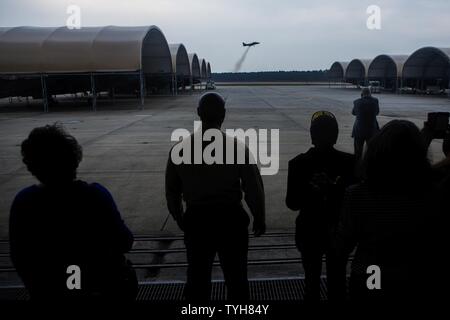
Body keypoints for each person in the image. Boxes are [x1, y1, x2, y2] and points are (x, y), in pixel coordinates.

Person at [9, 124, 137, 301]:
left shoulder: (24, 202)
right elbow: (125, 242)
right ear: (74, 159)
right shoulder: (95, 195)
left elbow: (20, 256)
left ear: (32, 166)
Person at [165, 92, 265, 301]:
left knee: (197, 283)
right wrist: (259, 217)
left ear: (198, 113)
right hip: (231, 221)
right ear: (223, 115)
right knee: (237, 282)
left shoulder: (179, 150)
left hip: (197, 222)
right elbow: (253, 188)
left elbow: (172, 191)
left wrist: (180, 217)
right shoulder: (238, 148)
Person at [335, 120, 441, 302]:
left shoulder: (357, 195)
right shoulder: (433, 194)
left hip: (371, 274)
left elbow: (342, 247)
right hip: (413, 277)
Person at [286, 111, 357, 302]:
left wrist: (312, 191)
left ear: (311, 135)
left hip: (309, 230)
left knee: (311, 283)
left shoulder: (297, 163)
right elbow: (355, 201)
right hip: (339, 232)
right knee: (338, 282)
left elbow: (292, 203)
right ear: (335, 135)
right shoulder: (350, 163)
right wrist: (335, 190)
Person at [352, 87, 380, 159]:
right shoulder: (375, 101)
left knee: (358, 152)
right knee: (371, 151)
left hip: (359, 130)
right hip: (371, 130)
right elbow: (377, 112)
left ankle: (357, 167)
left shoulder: (356, 102)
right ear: (370, 94)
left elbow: (353, 113)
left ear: (361, 94)